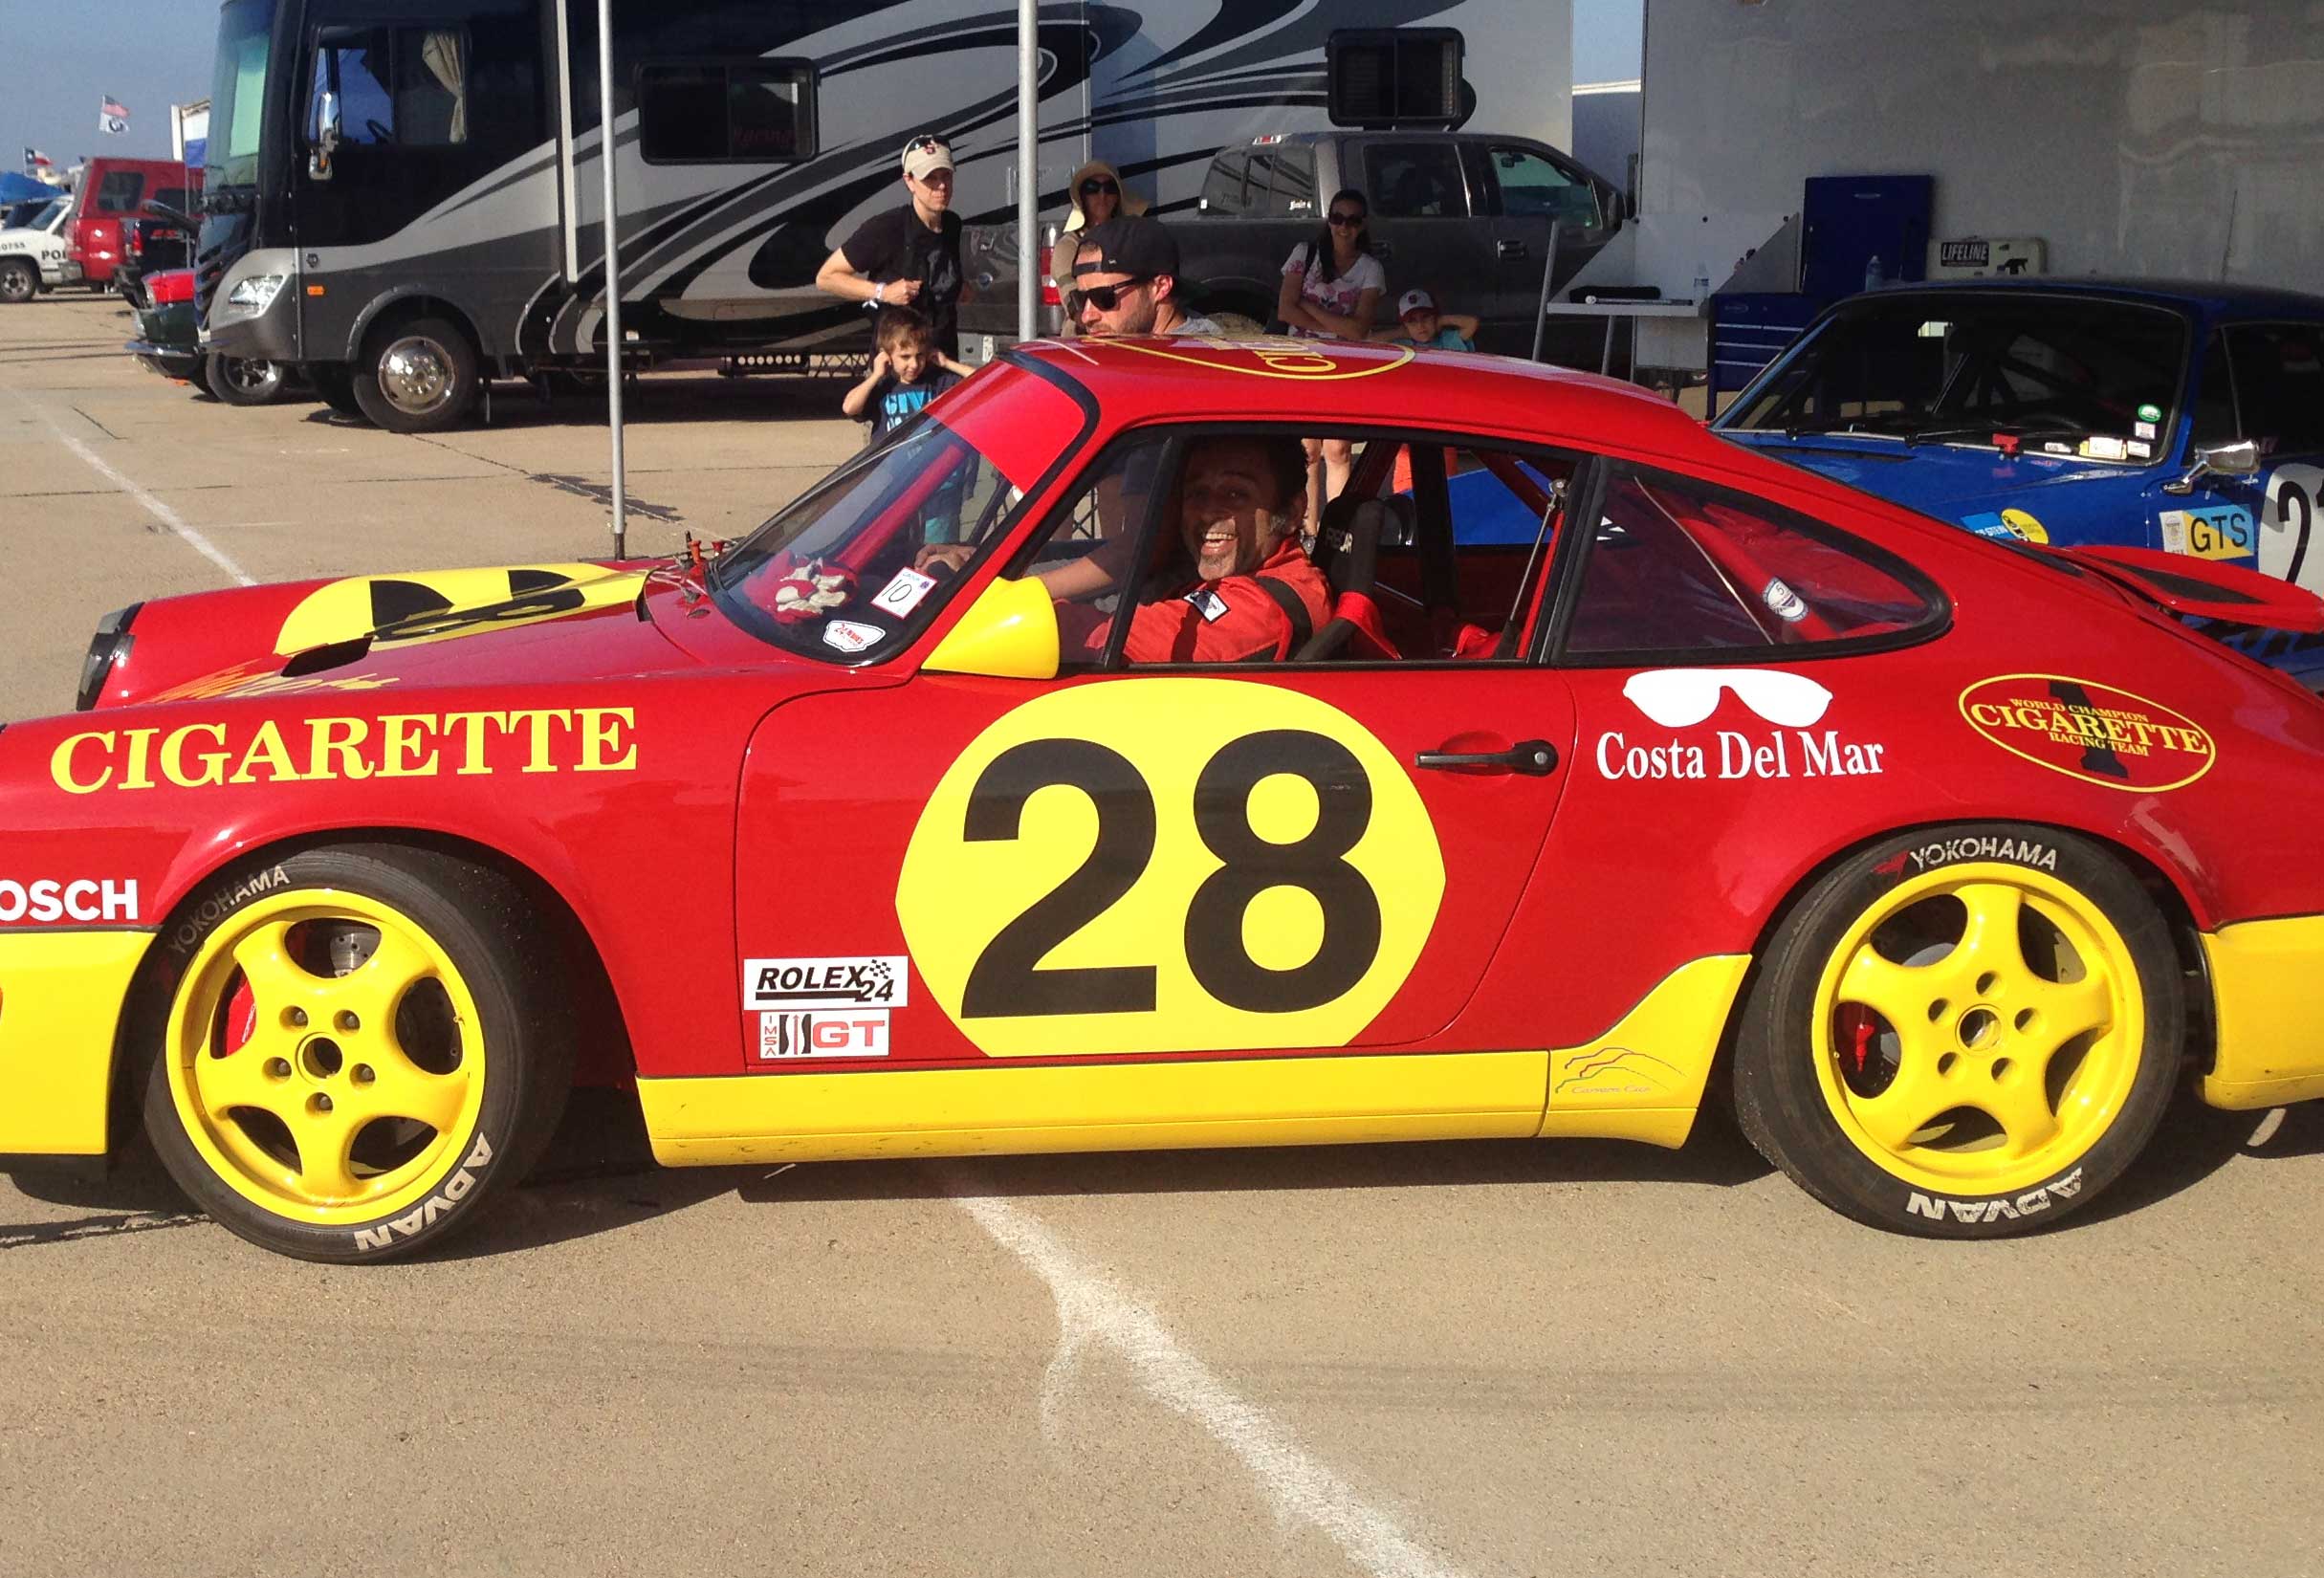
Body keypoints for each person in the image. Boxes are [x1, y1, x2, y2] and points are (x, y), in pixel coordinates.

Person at [1059, 433, 1330, 665]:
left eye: (1236, 494)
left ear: (1293, 511)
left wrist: (1022, 608)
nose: (1208, 512)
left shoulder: (1263, 611)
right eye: (1197, 493)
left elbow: (1097, 637)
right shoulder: (1245, 571)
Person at [1276, 189, 1384, 529]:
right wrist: (1335, 323)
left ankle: (1335, 529)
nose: (1344, 227)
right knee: (1306, 450)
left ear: (1362, 225)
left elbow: (1359, 330)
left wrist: (1308, 307)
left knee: (1338, 449)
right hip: (1303, 360)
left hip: (1345, 364)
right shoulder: (1305, 254)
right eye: (1337, 218)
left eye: (1352, 220)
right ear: (1329, 220)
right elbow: (1284, 309)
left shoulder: (1371, 269)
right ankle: (1309, 528)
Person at [816, 135, 966, 358]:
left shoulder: (953, 225)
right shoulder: (887, 227)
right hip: (897, 374)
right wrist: (883, 292)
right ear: (909, 181)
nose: (941, 186)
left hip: (942, 363)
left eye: (946, 175)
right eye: (930, 178)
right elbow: (826, 278)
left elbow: (949, 284)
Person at [1068, 216, 1225, 339]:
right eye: (1080, 298)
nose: (1086, 316)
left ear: (1161, 286)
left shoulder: (1198, 366)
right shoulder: (1129, 349)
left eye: (1103, 297)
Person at [841, 306, 974, 440]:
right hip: (891, 460)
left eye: (920, 355)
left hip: (927, 458)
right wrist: (875, 376)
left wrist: (947, 363)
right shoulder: (883, 387)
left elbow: (985, 381)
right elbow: (849, 407)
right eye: (905, 357)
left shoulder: (936, 382)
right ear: (886, 355)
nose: (914, 364)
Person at [1050, 160, 1149, 330]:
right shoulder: (1068, 247)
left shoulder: (1132, 240)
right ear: (1082, 197)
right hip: (1083, 338)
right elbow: (1075, 305)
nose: (1102, 196)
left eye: (1109, 188)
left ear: (1118, 196)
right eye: (1092, 189)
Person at [1372, 288, 1480, 351]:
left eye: (1425, 317)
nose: (1420, 326)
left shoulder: (1447, 340)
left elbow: (1472, 323)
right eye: (1412, 321)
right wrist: (1399, 333)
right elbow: (1365, 343)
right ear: (1405, 325)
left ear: (1435, 317)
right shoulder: (1402, 344)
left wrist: (1441, 321)